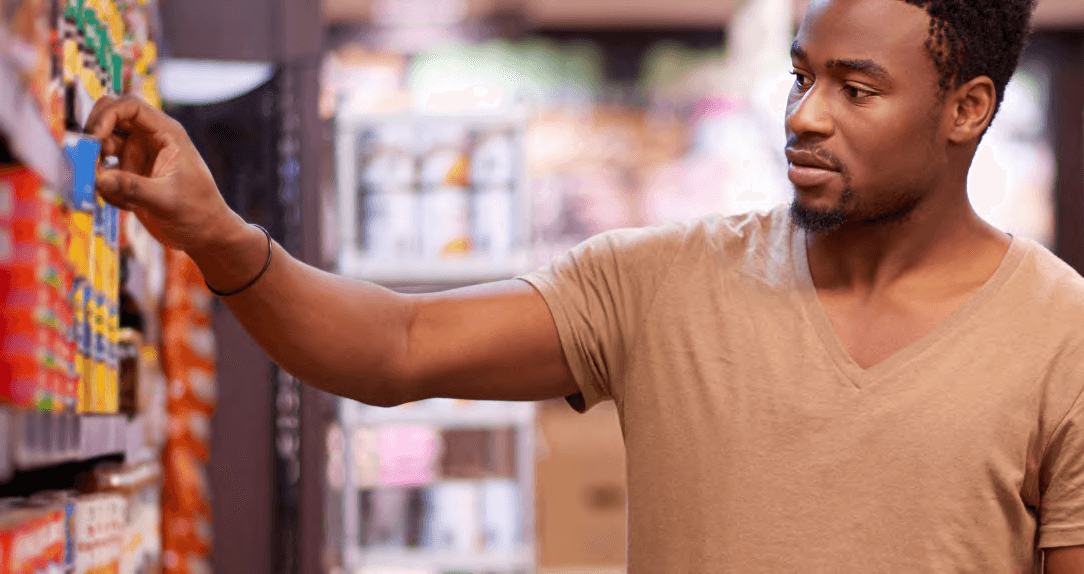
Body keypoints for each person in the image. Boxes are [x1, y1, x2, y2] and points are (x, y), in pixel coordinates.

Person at [86, 0, 1084, 571]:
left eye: (855, 89)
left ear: (966, 108)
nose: (806, 116)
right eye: (800, 76)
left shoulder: (1059, 336)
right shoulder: (661, 281)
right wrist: (217, 235)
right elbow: (392, 348)